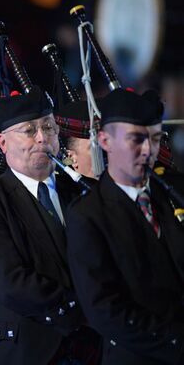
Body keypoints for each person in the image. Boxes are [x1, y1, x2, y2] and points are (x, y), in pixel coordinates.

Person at [0, 87, 99, 364]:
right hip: (21, 351)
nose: (42, 138)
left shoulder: (87, 193)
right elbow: (9, 282)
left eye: (48, 127)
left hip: (90, 349)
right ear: (2, 142)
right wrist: (85, 308)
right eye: (28, 130)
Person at [66, 88, 184, 365]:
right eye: (136, 139)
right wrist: (177, 342)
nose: (148, 151)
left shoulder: (174, 191)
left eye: (155, 139)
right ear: (105, 140)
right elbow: (104, 308)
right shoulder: (88, 214)